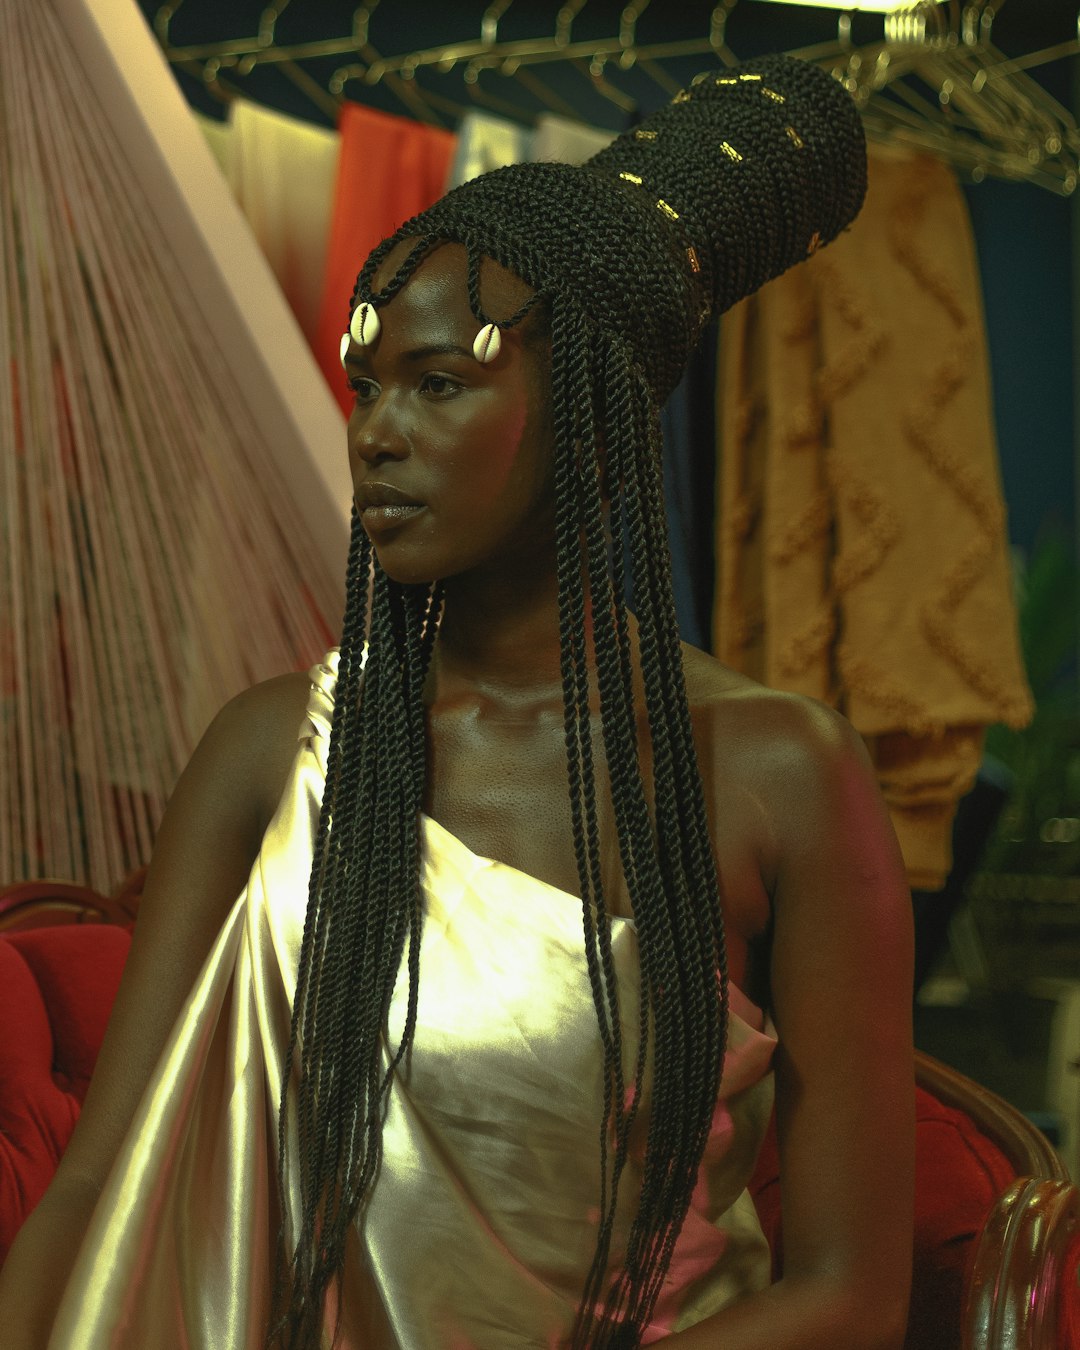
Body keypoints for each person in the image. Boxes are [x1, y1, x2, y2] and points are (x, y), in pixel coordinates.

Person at [0, 53, 914, 1349]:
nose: (373, 431)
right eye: (369, 385)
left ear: (589, 416)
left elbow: (851, 1293)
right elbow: (99, 1179)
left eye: (440, 383)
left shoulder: (775, 775)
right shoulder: (276, 749)